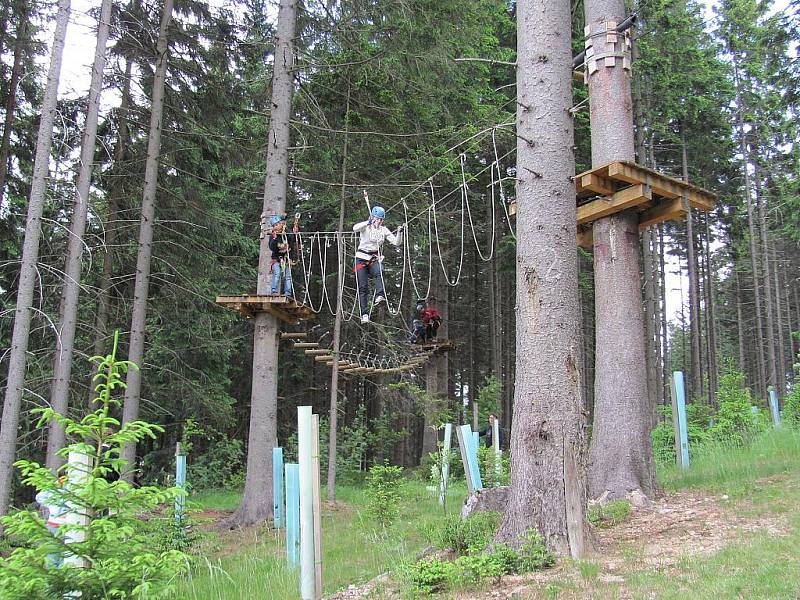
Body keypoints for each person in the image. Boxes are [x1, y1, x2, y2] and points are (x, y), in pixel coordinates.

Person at [353, 205, 403, 323]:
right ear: (373, 217)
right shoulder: (365, 227)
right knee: (363, 287)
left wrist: (400, 233)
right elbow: (355, 228)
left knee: (380, 270)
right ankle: (364, 314)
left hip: (373, 259)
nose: (379, 221)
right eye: (377, 219)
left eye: (381, 219)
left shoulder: (383, 230)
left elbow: (396, 242)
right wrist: (368, 222)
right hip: (360, 259)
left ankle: (379, 296)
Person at [36, 479, 68, 568]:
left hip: (58, 525)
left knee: (56, 555)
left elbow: (39, 497)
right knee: (59, 555)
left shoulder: (54, 488)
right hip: (58, 525)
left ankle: (56, 578)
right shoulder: (57, 489)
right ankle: (55, 578)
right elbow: (39, 497)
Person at [268, 214, 300, 297]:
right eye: (274, 225)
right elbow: (271, 247)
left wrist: (294, 232)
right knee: (277, 274)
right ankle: (274, 291)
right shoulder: (273, 235)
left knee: (288, 276)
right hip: (277, 258)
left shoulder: (287, 232)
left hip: (287, 258)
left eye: (277, 224)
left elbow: (292, 239)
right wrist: (275, 238)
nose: (276, 226)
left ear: (280, 223)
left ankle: (287, 292)